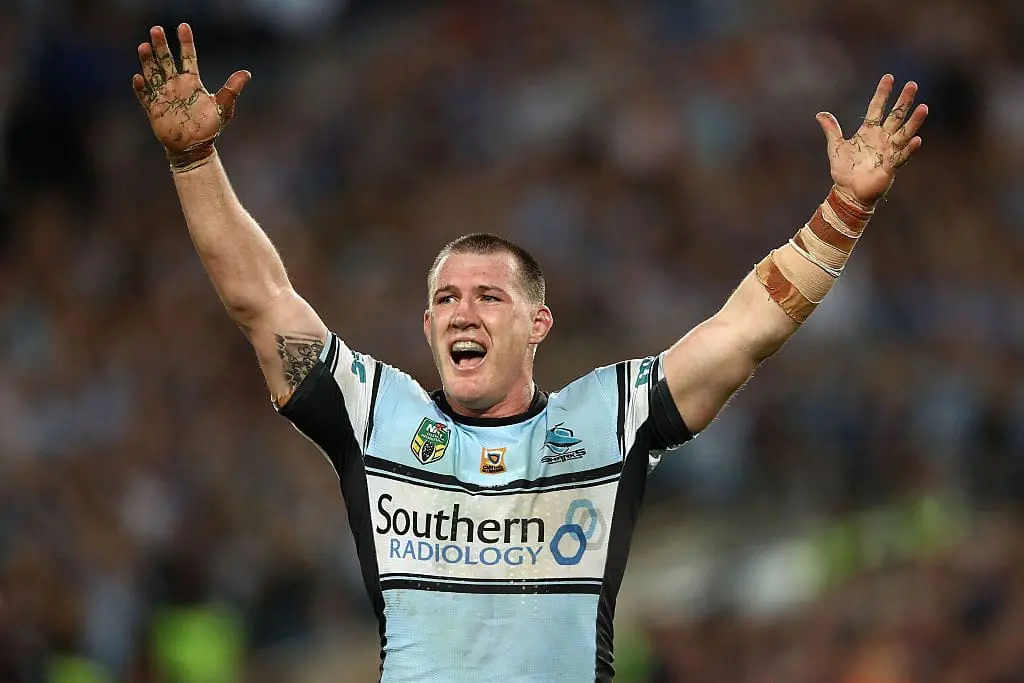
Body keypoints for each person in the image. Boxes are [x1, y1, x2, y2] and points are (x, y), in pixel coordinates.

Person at [132, 23, 927, 683]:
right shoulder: (377, 415)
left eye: (489, 296)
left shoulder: (608, 418)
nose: (463, 312)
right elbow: (260, 300)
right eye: (447, 298)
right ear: (427, 324)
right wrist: (194, 163)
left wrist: (844, 210)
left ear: (538, 323)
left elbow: (743, 330)